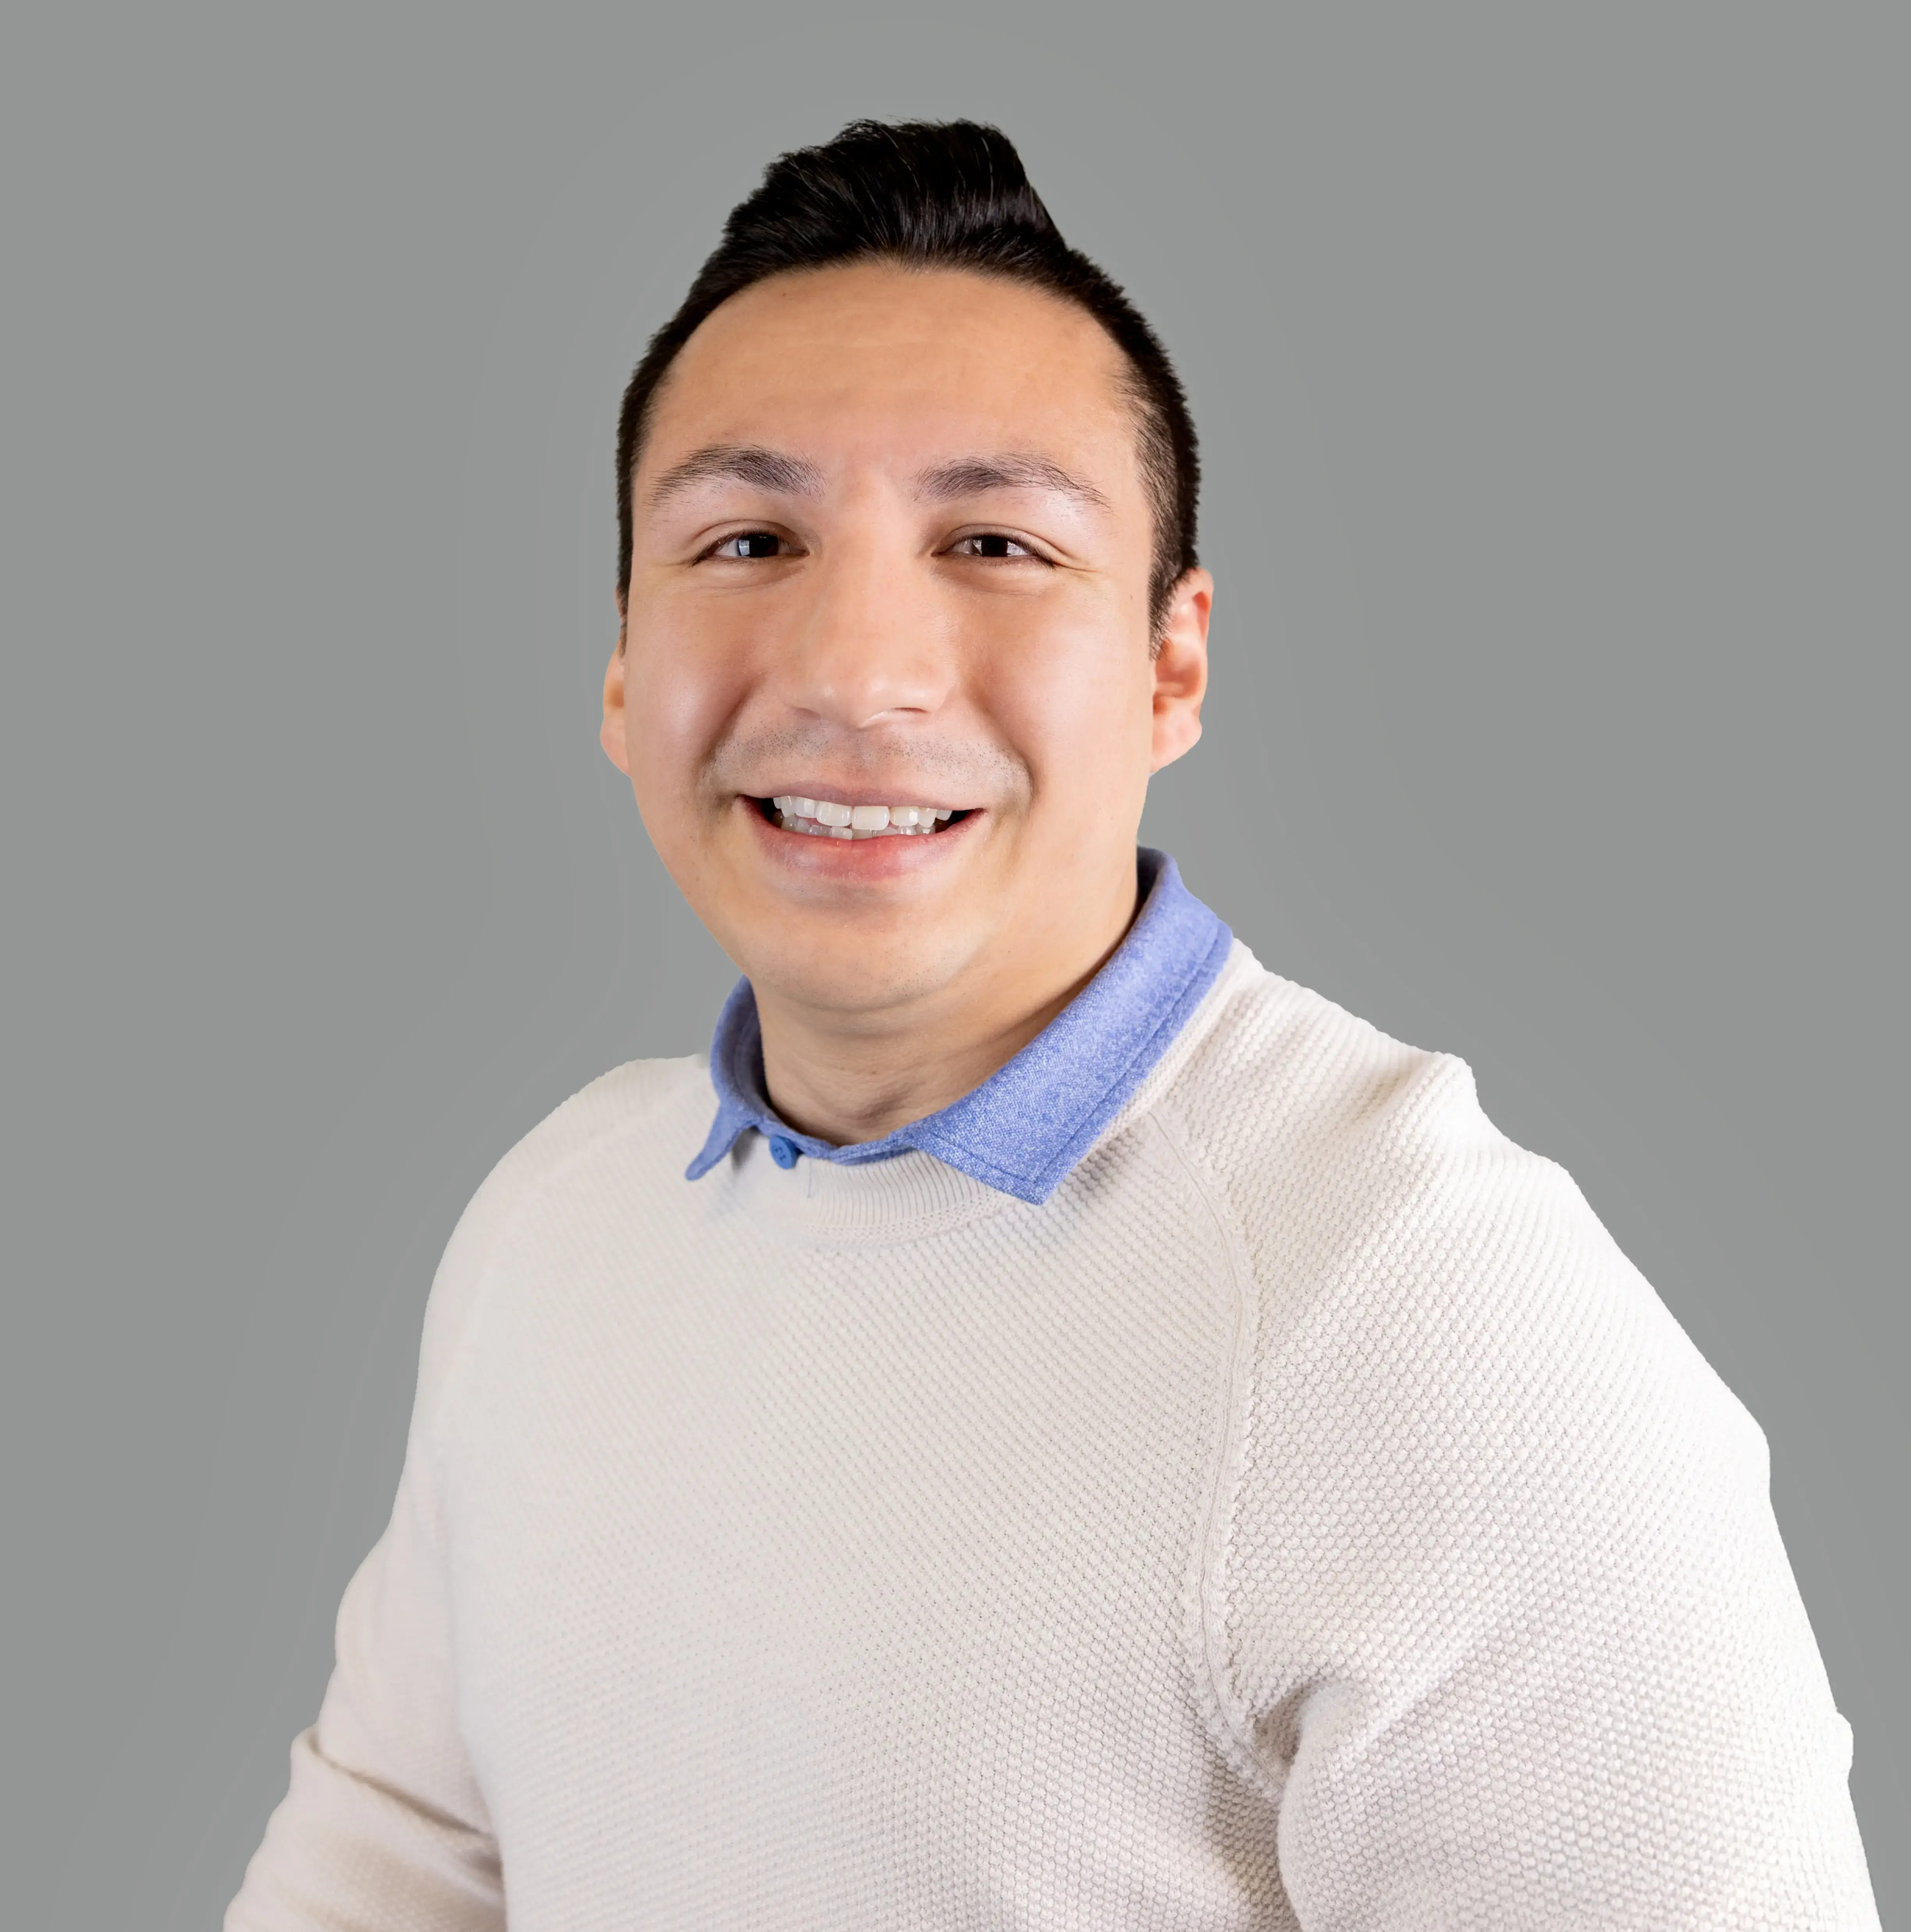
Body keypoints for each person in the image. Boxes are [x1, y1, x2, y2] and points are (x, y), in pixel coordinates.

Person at [227, 120, 1878, 1930]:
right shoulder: (555, 1223)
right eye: (749, 537)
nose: (857, 670)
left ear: (1173, 665)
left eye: (997, 540)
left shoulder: (1426, 1310)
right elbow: (387, 1871)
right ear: (625, 665)